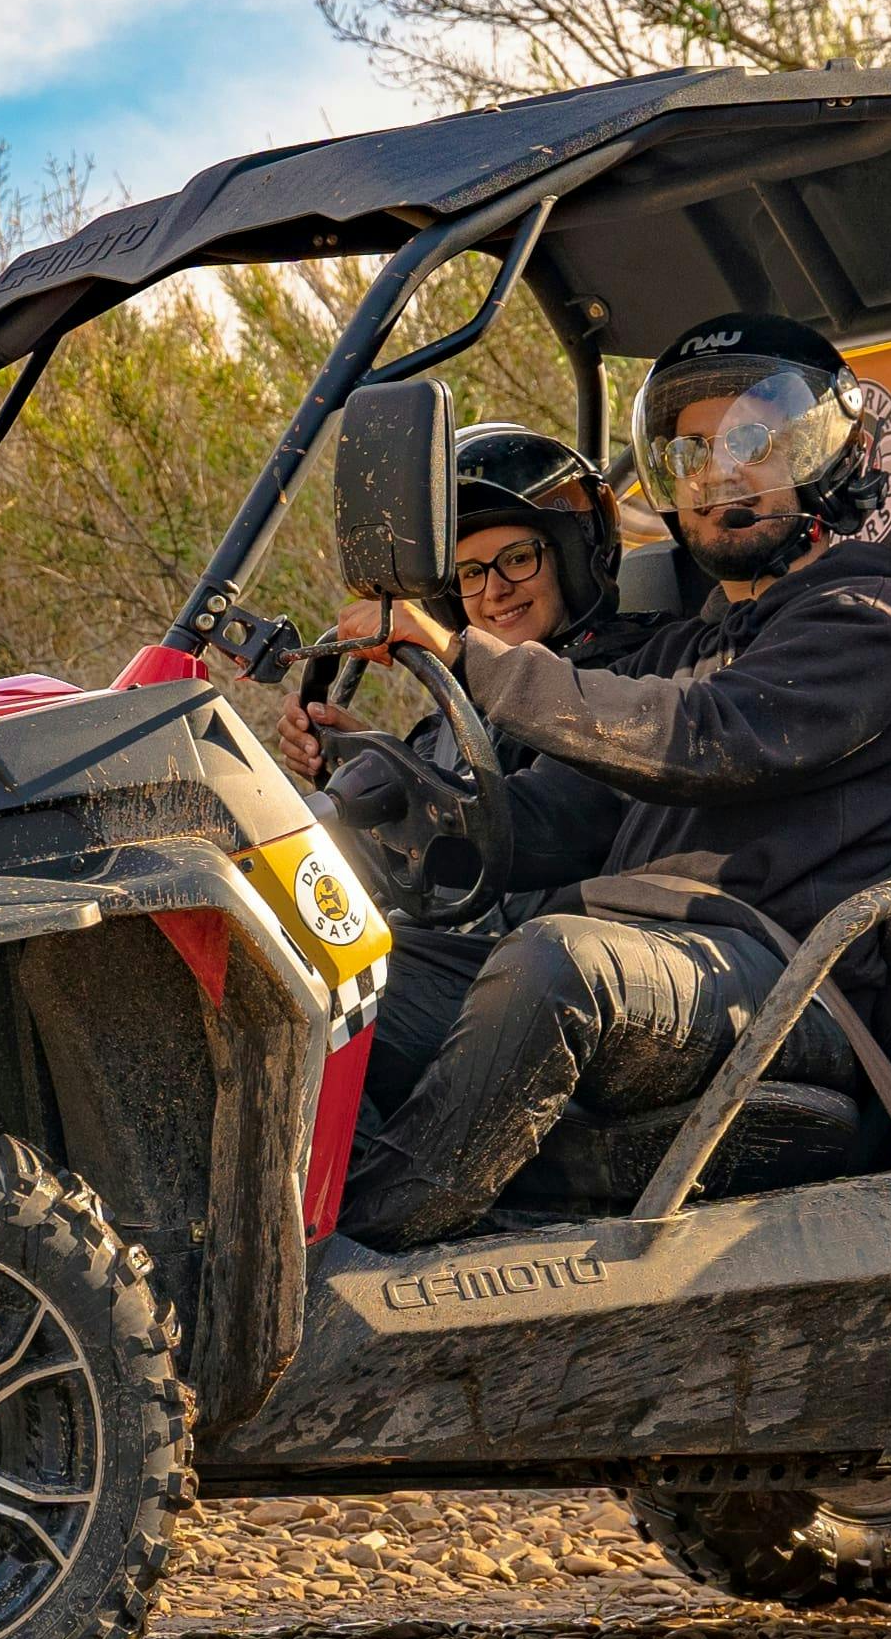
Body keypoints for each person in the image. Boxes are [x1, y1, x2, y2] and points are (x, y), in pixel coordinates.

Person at [327, 315, 891, 1252]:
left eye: (750, 442)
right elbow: (555, 818)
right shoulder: (686, 646)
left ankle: (359, 1252)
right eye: (691, 450)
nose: (718, 472)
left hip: (784, 984)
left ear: (830, 455)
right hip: (654, 961)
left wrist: (464, 652)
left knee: (556, 962)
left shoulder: (864, 619)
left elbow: (698, 737)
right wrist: (374, 792)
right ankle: (304, 1214)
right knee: (358, 960)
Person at [275, 426, 650, 1123]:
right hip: (476, 963)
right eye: (469, 574)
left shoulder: (629, 682)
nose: (494, 591)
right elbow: (434, 812)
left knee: (321, 988)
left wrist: (401, 788)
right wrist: (352, 761)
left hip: (559, 984)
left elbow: (549, 821)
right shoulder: (459, 712)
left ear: (572, 556)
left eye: (516, 558)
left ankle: (319, 1222)